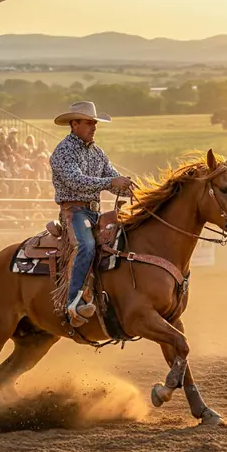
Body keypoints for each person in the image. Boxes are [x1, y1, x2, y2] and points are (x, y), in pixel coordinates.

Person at [49, 101, 131, 326]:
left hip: (95, 213)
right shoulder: (63, 151)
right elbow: (75, 181)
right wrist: (110, 182)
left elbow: (114, 182)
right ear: (74, 124)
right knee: (85, 245)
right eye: (88, 123)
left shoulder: (98, 152)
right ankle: (73, 302)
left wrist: (128, 186)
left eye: (94, 123)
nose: (93, 127)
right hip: (74, 213)